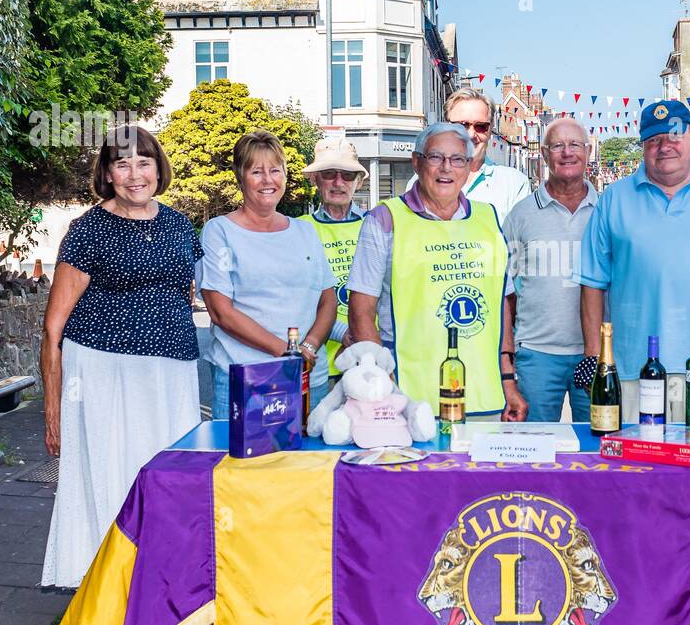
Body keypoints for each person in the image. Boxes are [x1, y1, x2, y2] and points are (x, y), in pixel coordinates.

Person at [40, 125, 202, 589]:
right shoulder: (88, 230)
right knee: (112, 481)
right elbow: (53, 327)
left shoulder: (179, 226)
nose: (136, 174)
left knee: (169, 481)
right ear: (108, 174)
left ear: (158, 168)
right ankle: (109, 593)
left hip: (171, 374)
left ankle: (161, 588)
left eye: (144, 162)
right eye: (123, 164)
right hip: (104, 372)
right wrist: (52, 411)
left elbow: (181, 295)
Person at [577, 99, 690, 422]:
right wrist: (595, 355)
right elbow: (592, 283)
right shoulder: (614, 199)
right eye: (654, 140)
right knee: (636, 465)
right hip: (632, 366)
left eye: (674, 136)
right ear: (644, 146)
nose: (664, 147)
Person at [346, 122, 525, 419]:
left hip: (485, 396)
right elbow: (360, 312)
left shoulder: (488, 219)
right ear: (417, 162)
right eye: (435, 157)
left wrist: (508, 382)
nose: (446, 168)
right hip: (408, 396)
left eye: (457, 160)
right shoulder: (384, 220)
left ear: (468, 167)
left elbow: (502, 305)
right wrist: (383, 386)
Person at [200, 130, 338, 419]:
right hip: (246, 380)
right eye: (256, 171)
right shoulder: (220, 231)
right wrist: (287, 353)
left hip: (310, 380)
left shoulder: (304, 230)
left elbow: (327, 298)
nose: (267, 180)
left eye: (275, 170)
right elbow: (221, 312)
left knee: (310, 464)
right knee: (241, 464)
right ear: (240, 177)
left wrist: (308, 348)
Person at [503, 120, 598, 423]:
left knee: (598, 447)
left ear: (588, 151)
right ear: (544, 154)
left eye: (575, 145)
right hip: (536, 355)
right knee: (535, 451)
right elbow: (506, 290)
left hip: (595, 354)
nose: (567, 152)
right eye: (557, 145)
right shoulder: (522, 214)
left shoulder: (607, 210)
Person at [300, 139, 368, 377]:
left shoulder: (376, 226)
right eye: (329, 174)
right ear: (314, 179)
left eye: (348, 175)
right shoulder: (299, 229)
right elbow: (298, 299)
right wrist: (342, 333)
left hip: (368, 363)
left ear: (359, 181)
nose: (339, 182)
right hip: (317, 366)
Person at [445, 89, 531, 225]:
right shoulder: (421, 183)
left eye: (480, 127)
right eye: (462, 125)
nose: (471, 134)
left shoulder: (515, 184)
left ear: (491, 131)